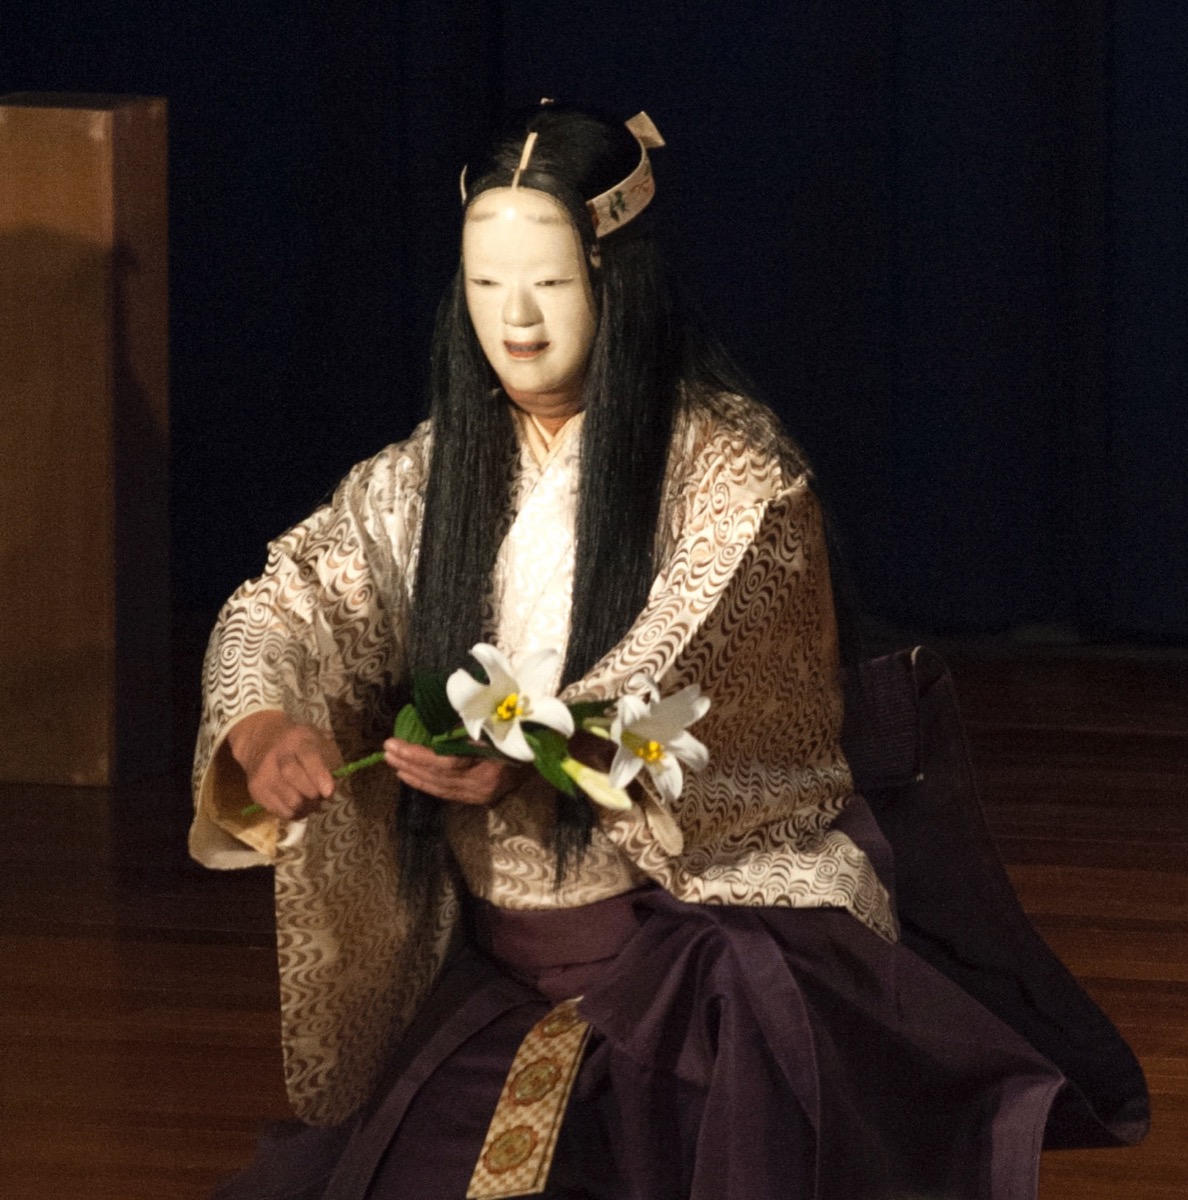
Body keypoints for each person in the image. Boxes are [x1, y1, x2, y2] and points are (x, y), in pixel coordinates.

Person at [192, 104, 1082, 1199]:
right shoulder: (426, 478)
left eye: (551, 285)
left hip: (693, 946)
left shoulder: (737, 477)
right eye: (485, 286)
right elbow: (292, 598)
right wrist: (265, 722)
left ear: (620, 281)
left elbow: (695, 651)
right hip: (490, 952)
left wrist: (533, 751)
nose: (514, 322)